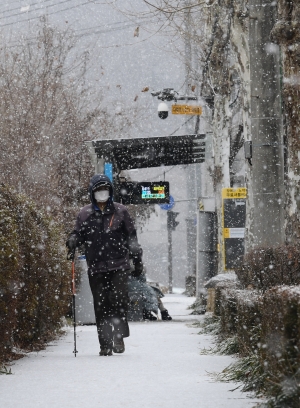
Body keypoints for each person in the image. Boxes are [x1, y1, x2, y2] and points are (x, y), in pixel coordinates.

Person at [66, 174, 143, 356]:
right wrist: (72, 240)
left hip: (119, 265)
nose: (102, 193)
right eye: (99, 190)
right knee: (101, 305)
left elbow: (131, 238)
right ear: (92, 193)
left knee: (118, 299)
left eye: (105, 189)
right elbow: (77, 234)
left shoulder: (121, 211)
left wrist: (137, 259)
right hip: (96, 266)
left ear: (111, 191)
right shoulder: (85, 214)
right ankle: (105, 344)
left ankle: (118, 336)